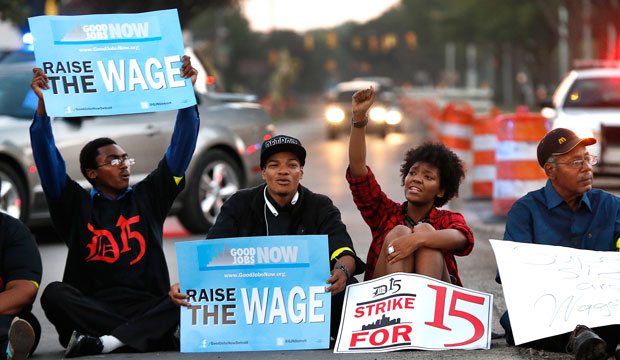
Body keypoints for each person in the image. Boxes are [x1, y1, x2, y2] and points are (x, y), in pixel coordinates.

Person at [29, 55, 199, 357]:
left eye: (125, 159)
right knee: (54, 294)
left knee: (186, 298)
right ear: (91, 173)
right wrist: (43, 109)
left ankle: (107, 342)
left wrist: (186, 97)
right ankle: (149, 335)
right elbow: (47, 160)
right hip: (92, 305)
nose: (124, 166)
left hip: (146, 303)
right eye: (113, 161)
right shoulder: (73, 204)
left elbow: (181, 148)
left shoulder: (149, 196)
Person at [170, 134, 365, 337]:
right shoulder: (239, 203)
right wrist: (189, 285)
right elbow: (211, 254)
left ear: (301, 172)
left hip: (304, 301)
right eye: (274, 165)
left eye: (292, 165)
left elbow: (343, 250)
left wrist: (342, 271)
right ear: (263, 173)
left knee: (349, 290)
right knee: (179, 299)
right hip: (250, 299)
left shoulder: (320, 205)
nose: (283, 171)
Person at [499, 128, 620, 359]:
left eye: (587, 159)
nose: (587, 168)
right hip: (550, 309)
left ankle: (595, 338)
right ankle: (579, 337)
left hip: (604, 305)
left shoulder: (610, 206)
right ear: (550, 170)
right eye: (576, 162)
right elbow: (513, 276)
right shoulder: (525, 211)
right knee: (518, 322)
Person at [346, 87, 474, 284]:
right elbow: (357, 170)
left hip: (432, 301)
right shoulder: (384, 213)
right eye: (412, 173)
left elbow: (463, 238)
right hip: (385, 302)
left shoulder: (447, 219)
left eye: (428, 177)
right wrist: (359, 118)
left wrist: (416, 240)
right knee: (399, 231)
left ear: (441, 190)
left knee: (425, 231)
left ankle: (424, 307)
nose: (416, 179)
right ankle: (400, 309)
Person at [0, 212, 42, 360]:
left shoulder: (12, 231)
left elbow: (25, 290)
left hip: (4, 315)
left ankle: (9, 350)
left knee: (23, 325)